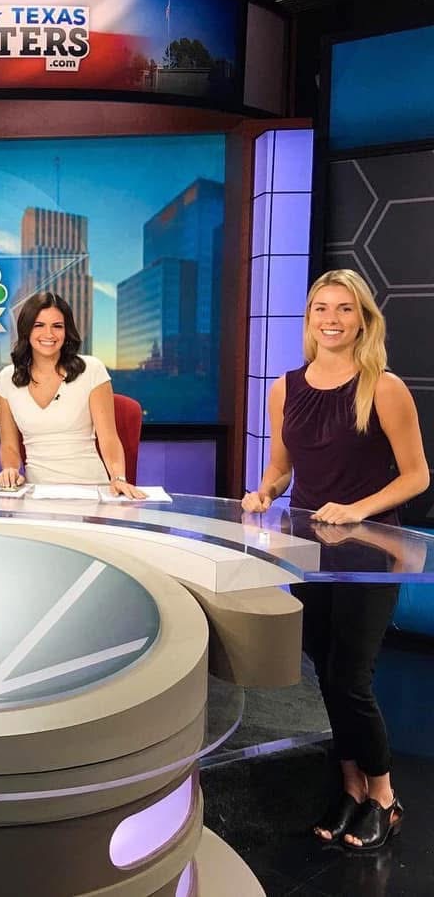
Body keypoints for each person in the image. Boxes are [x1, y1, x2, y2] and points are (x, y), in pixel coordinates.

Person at [242, 269, 428, 851]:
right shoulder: (286, 386)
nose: (331, 318)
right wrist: (267, 491)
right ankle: (350, 787)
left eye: (344, 309)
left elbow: (418, 475)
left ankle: (384, 796)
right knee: (325, 668)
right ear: (309, 319)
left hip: (370, 552)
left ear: (363, 319)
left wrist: (357, 509)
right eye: (321, 307)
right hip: (308, 551)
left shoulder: (384, 386)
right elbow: (282, 465)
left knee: (352, 676)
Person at [0, 291, 145, 498]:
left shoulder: (91, 369)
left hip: (92, 491)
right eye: (39, 325)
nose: (49, 334)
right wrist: (10, 470)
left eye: (57, 326)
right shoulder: (7, 378)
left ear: (67, 332)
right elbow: (9, 445)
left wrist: (118, 477)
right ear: (26, 330)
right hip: (37, 495)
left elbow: (109, 438)